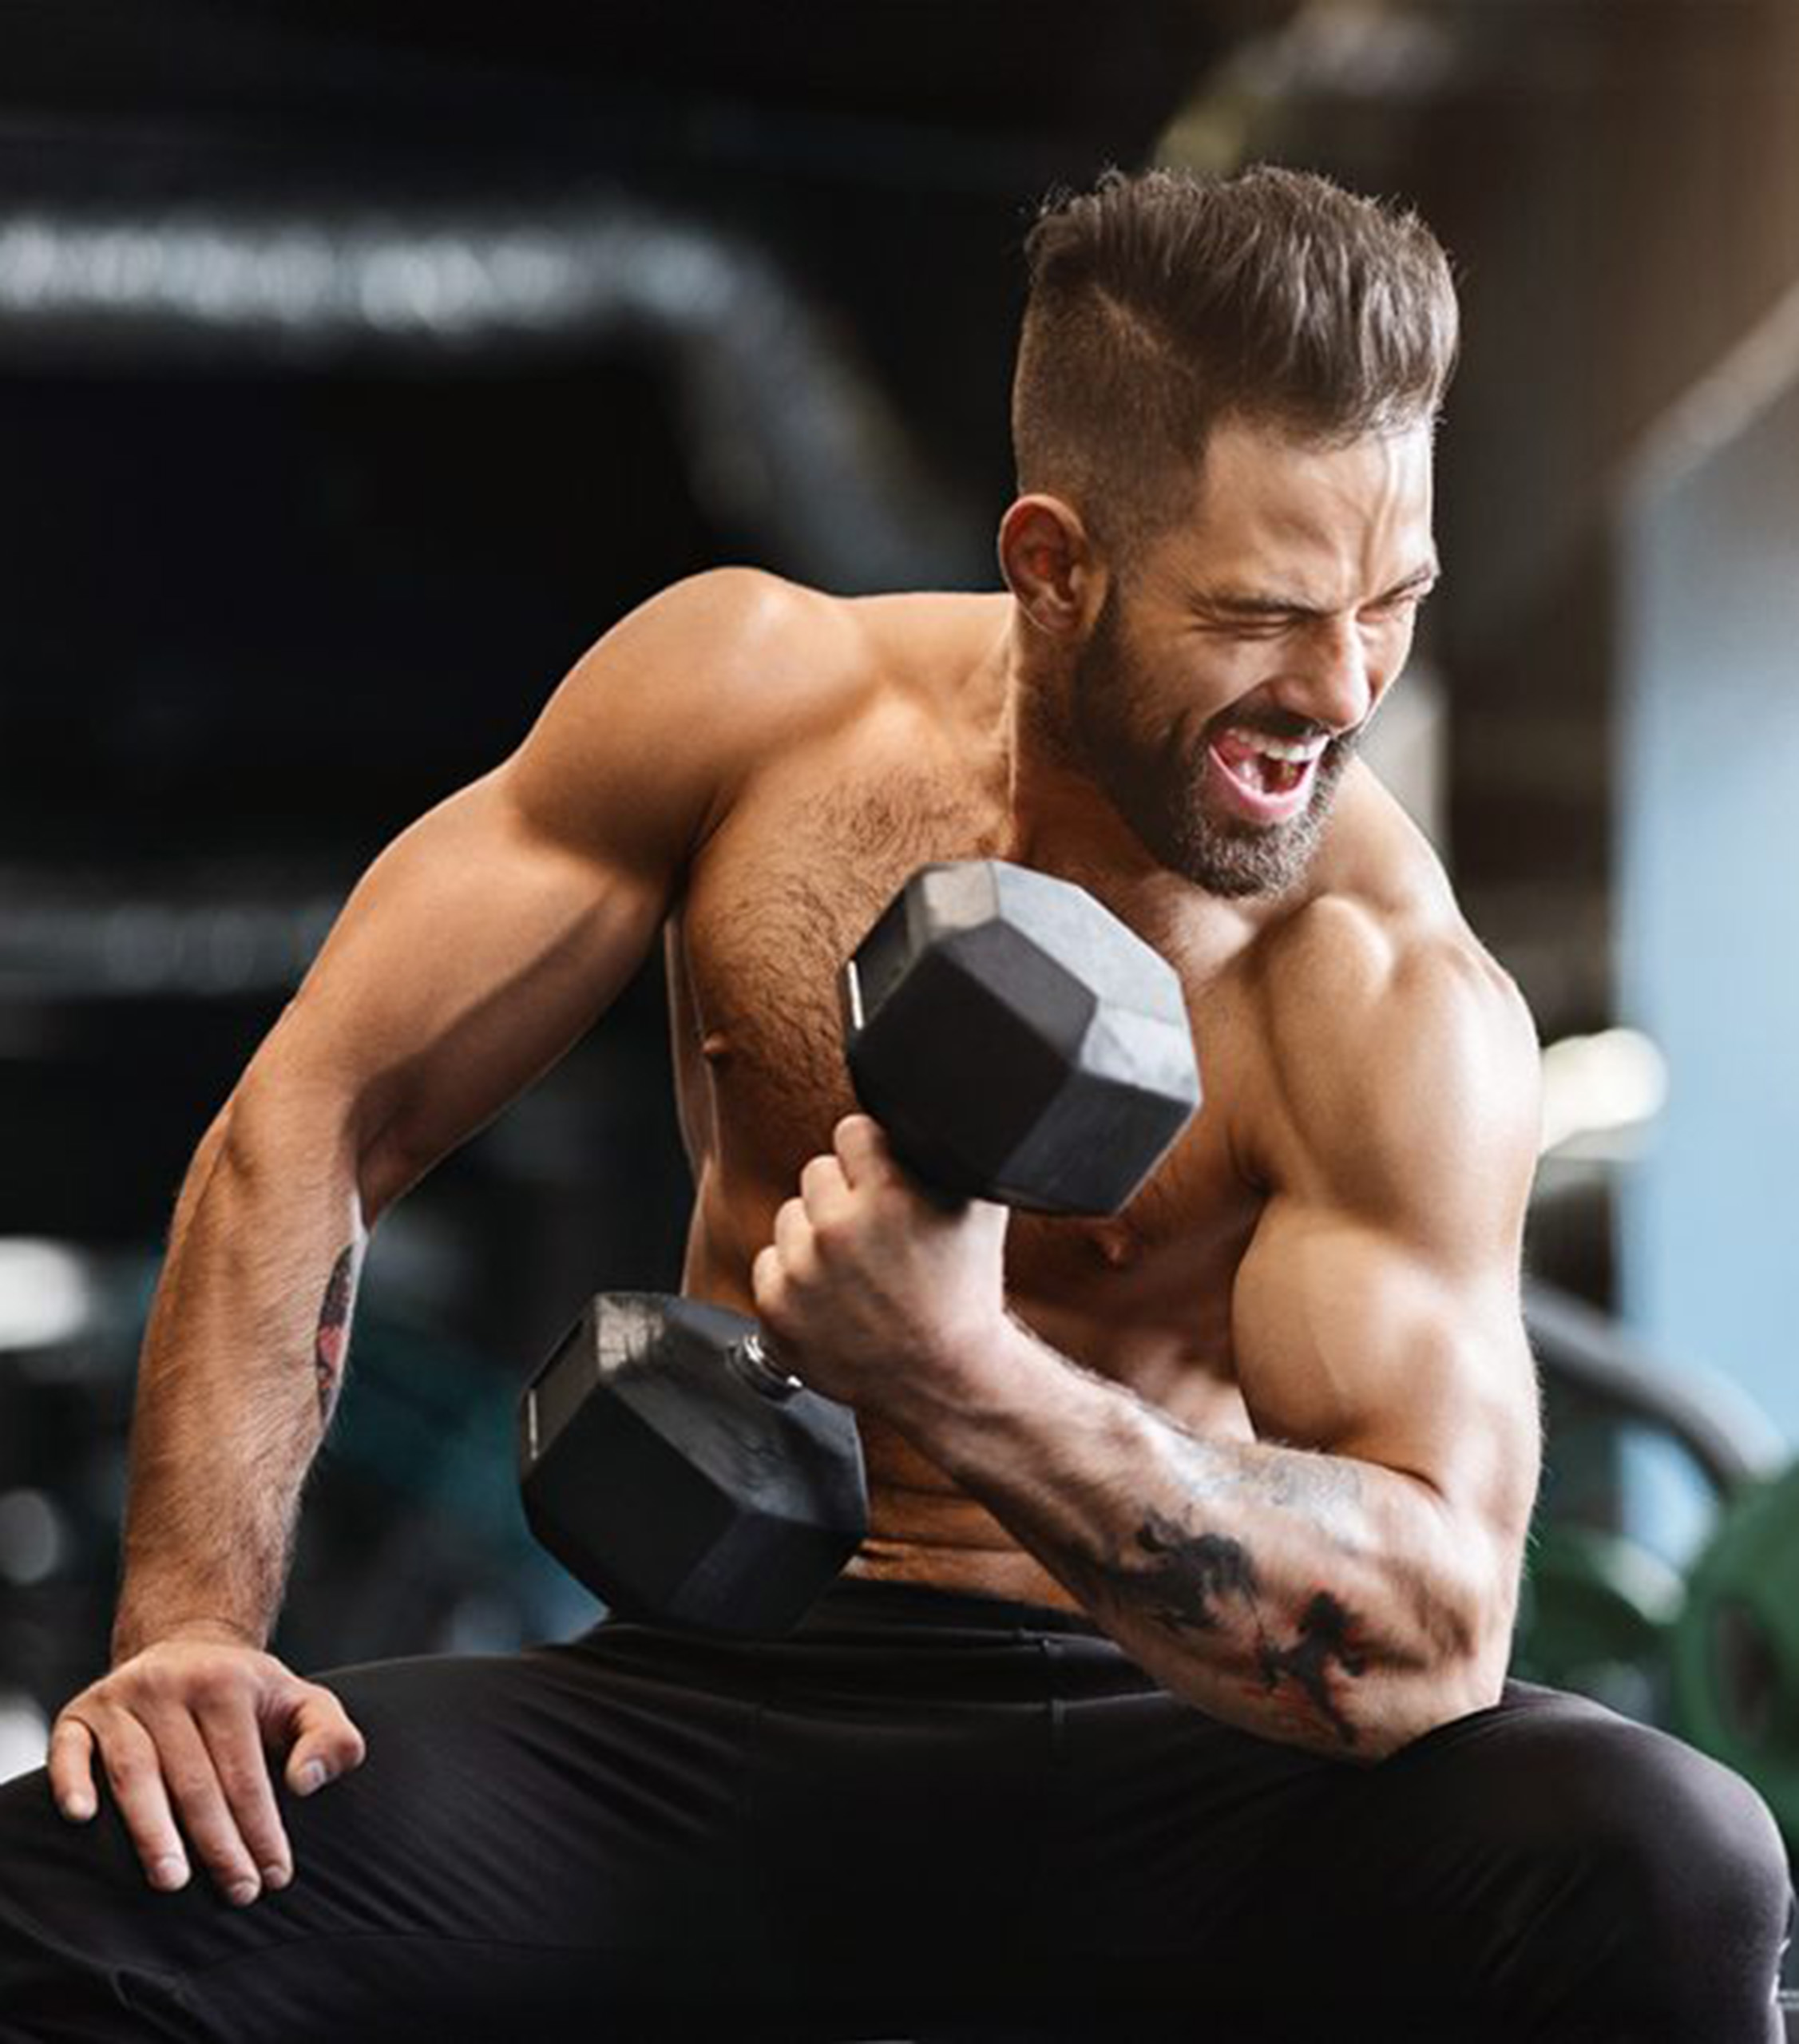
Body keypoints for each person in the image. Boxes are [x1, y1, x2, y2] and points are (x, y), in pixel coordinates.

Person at [0, 164, 1790, 2044]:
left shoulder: (1378, 986)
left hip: (1188, 1757)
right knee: (72, 1898)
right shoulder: (750, 706)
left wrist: (962, 1372)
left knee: (1663, 1856)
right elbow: (317, 1115)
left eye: (1389, 601)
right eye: (1264, 612)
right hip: (715, 1714)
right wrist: (189, 1629)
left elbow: (1429, 1641)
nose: (1337, 692)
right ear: (1051, 563)